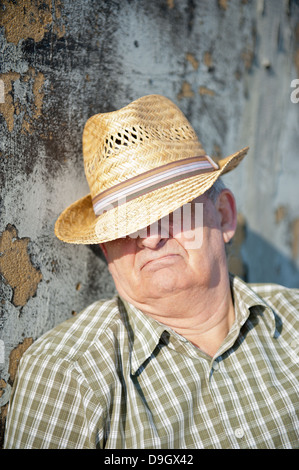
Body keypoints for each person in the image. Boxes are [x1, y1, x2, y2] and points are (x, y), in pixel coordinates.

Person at [4, 95, 299, 449]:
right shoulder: (67, 373)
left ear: (223, 215)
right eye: (126, 226)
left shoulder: (294, 320)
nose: (152, 237)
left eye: (175, 211)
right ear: (105, 247)